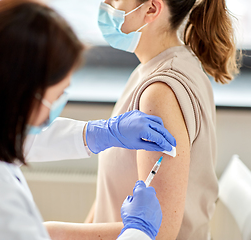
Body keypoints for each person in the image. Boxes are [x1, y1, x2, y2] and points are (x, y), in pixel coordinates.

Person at [0, 0, 175, 239]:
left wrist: (96, 133)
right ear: (24, 97)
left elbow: (7, 135)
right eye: (58, 94)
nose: (60, 101)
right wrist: (139, 232)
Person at [80, 0, 240, 239]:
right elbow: (110, 193)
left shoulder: (160, 93)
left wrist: (50, 232)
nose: (105, 3)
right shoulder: (162, 65)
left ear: (151, 9)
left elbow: (160, 232)